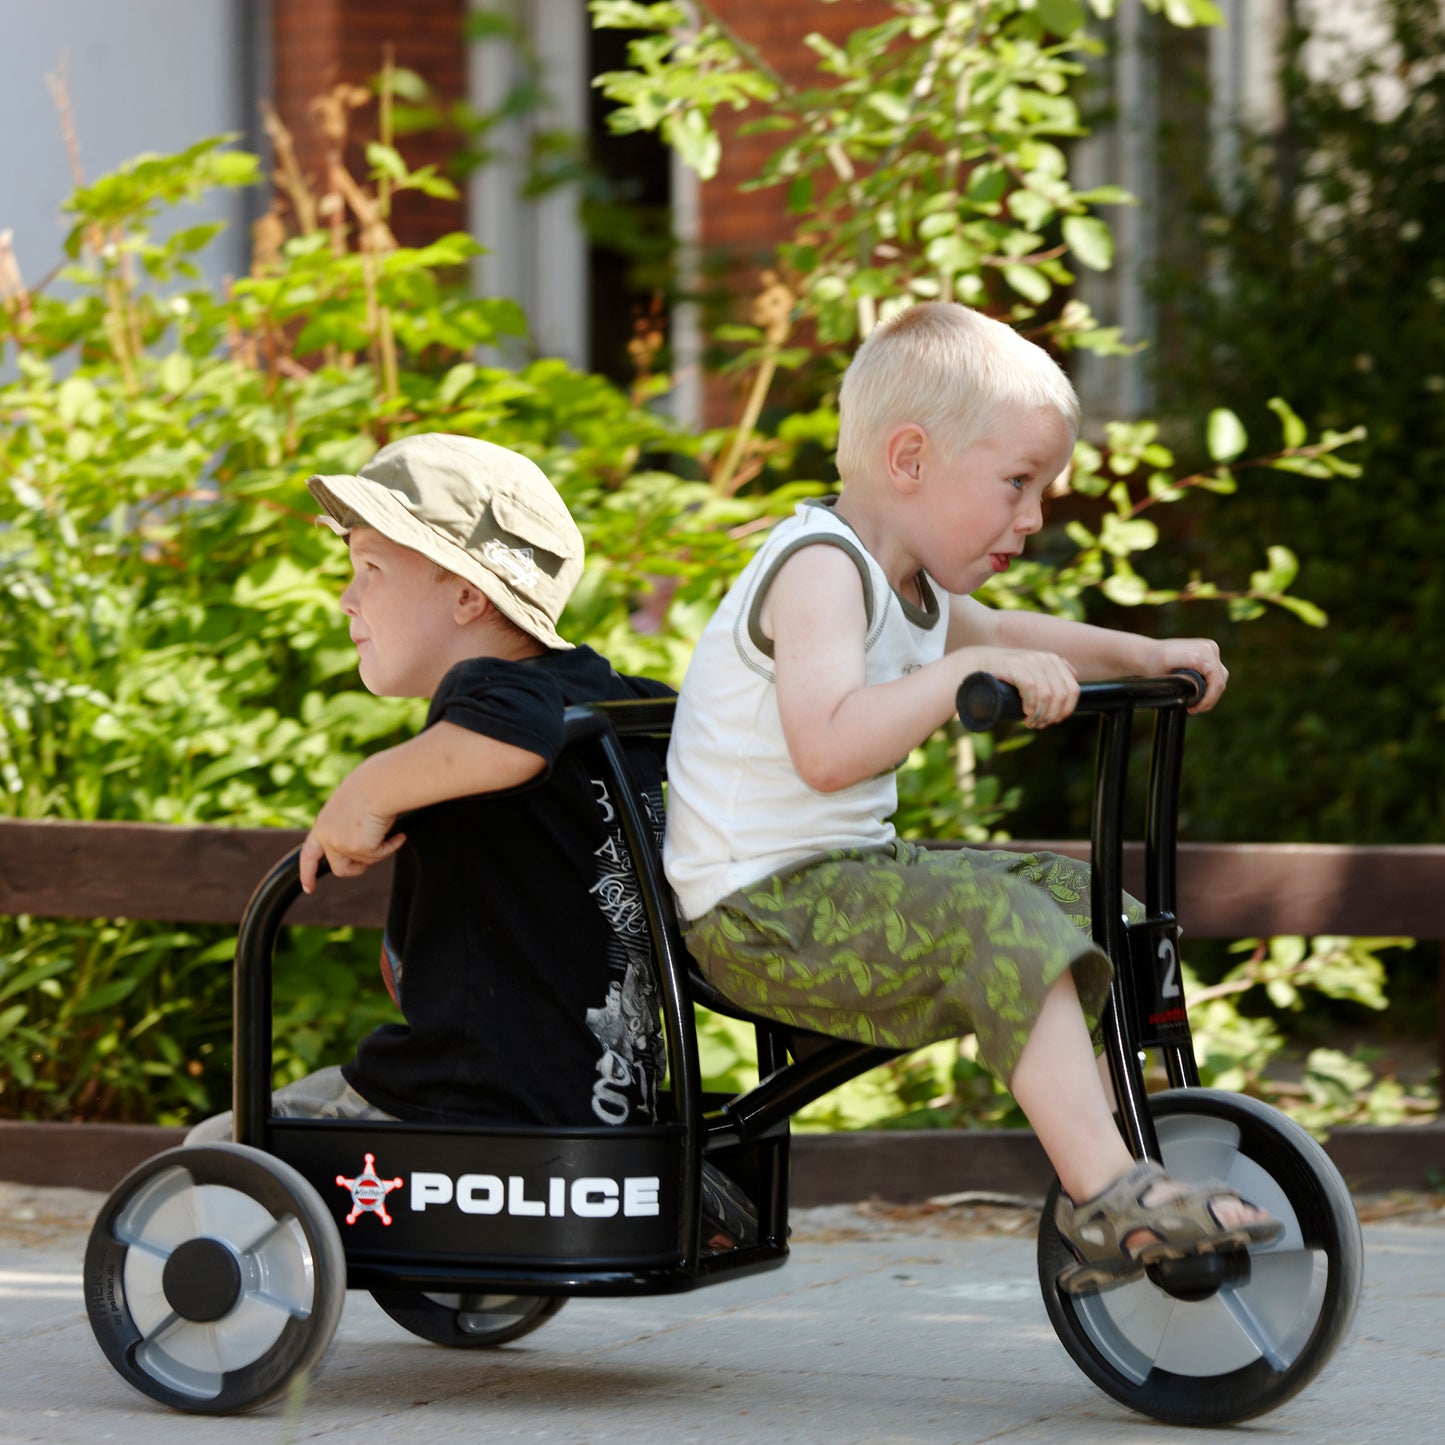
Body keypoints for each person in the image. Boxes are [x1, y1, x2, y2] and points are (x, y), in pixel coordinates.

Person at [662, 303, 1280, 1293]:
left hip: (843, 887)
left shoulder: (911, 585)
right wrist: (961, 674)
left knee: (1096, 913)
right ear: (907, 459)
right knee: (995, 919)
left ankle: (1123, 1153)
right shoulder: (817, 566)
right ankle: (1106, 1195)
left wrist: (1142, 651)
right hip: (757, 916)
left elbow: (993, 621)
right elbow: (824, 748)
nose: (1031, 515)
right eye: (1015, 482)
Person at [188, 432, 755, 1249]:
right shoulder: (607, 695)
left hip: (462, 1093)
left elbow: (511, 740)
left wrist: (365, 789)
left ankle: (238, 1296)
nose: (348, 598)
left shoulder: (494, 688)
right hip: (602, 1093)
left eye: (371, 570)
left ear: (466, 596)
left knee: (219, 1148)